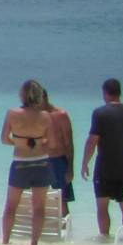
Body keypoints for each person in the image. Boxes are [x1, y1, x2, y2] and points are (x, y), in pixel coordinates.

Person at [81, 79, 123, 239]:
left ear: (105, 93)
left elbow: (92, 140)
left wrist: (85, 163)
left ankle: (105, 237)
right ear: (120, 92)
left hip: (105, 168)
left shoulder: (100, 113)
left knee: (102, 206)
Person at [1, 79, 56, 245]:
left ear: (22, 95)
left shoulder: (12, 113)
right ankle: (34, 243)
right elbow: (52, 144)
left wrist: (18, 143)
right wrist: (39, 143)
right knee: (39, 207)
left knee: (11, 206)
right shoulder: (46, 116)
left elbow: (4, 139)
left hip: (20, 163)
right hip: (41, 163)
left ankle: (6, 241)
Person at [45, 90, 76, 223]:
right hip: (39, 161)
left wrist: (70, 168)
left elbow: (68, 143)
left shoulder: (60, 115)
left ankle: (66, 235)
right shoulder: (35, 116)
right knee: (36, 198)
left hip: (58, 161)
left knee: (62, 201)